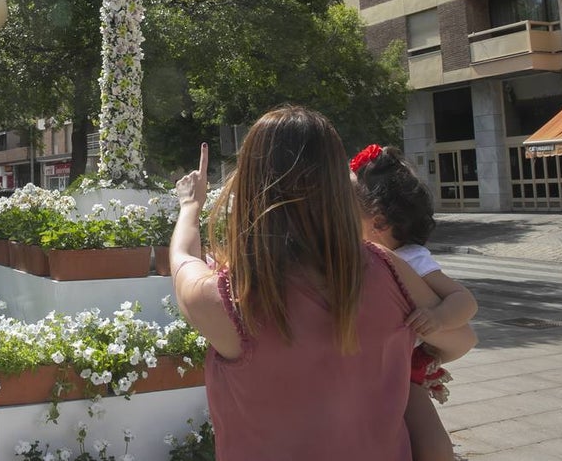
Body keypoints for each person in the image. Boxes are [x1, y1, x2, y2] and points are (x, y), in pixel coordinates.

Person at [169, 106, 477, 460]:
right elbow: (461, 337)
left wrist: (191, 205)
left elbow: (182, 259)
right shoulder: (385, 267)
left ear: (250, 182)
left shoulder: (224, 300)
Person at [352, 143, 479, 461]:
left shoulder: (412, 258)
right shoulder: (357, 256)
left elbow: (464, 300)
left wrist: (438, 318)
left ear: (378, 222)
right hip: (368, 364)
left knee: (433, 445)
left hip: (403, 364)